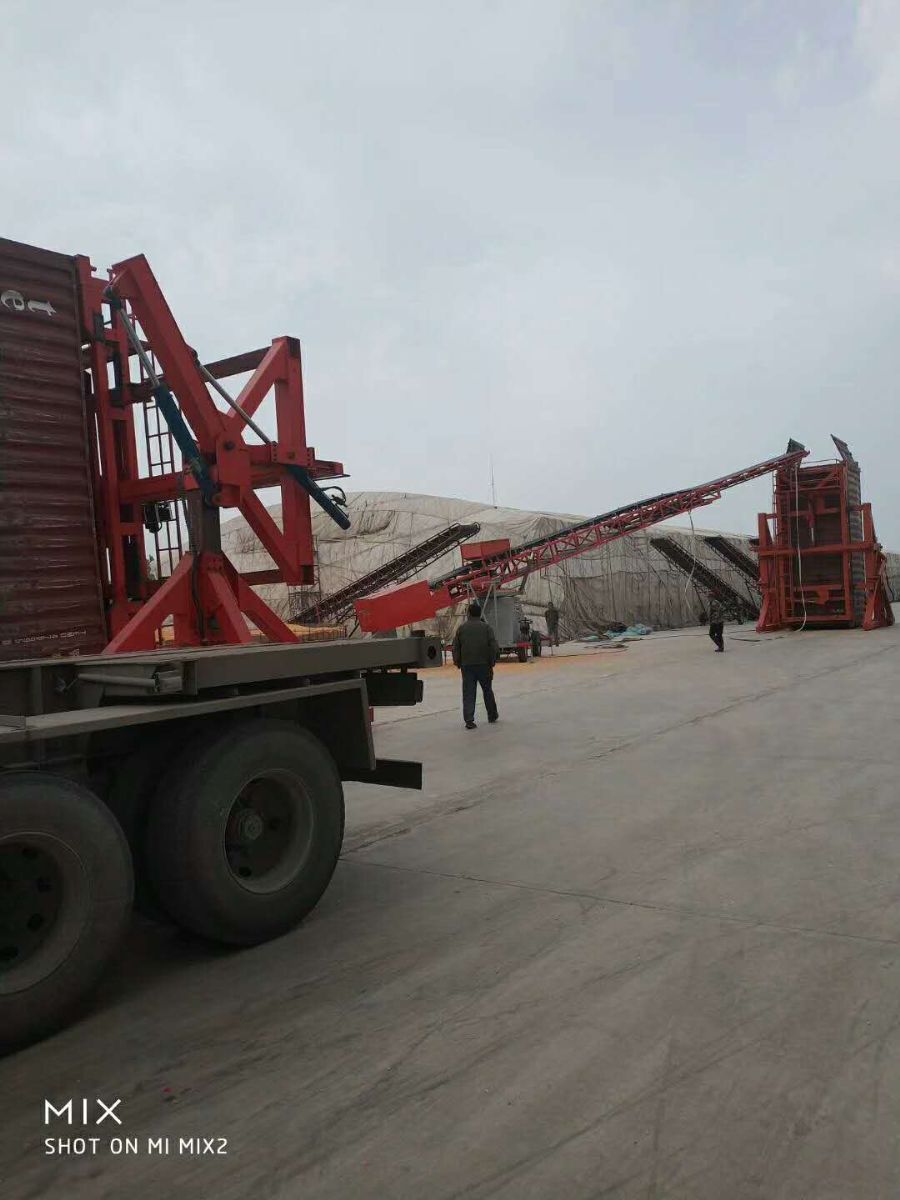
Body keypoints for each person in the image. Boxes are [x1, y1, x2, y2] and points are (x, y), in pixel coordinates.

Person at [451, 602, 499, 729]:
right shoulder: (487, 628)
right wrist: (492, 661)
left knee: (469, 693)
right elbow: (493, 646)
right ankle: (492, 715)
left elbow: (456, 647)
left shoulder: (461, 628)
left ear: (469, 614)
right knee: (487, 690)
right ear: (480, 614)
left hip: (467, 666)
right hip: (484, 665)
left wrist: (457, 662)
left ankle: (469, 720)